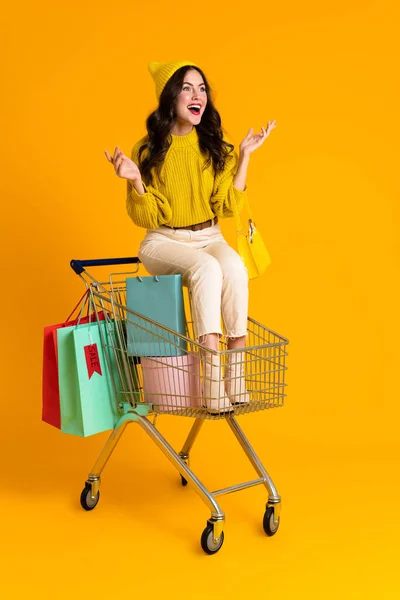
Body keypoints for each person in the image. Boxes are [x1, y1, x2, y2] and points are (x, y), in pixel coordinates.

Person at [105, 60, 276, 414]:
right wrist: (135, 181)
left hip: (209, 233)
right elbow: (145, 216)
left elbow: (227, 206)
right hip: (163, 241)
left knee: (232, 267)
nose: (197, 95)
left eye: (201, 88)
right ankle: (213, 386)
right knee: (207, 270)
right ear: (170, 99)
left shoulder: (215, 146)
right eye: (187, 88)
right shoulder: (146, 150)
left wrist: (244, 157)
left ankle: (237, 379)